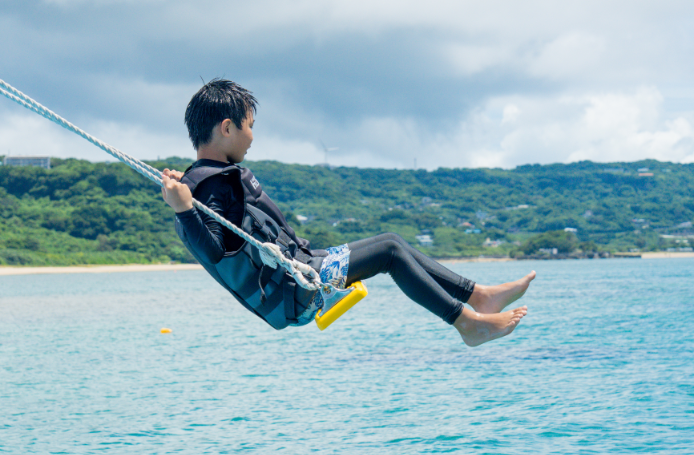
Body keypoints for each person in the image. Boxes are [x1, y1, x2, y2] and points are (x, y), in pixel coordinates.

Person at [161, 79, 534, 347]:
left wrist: (187, 202)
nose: (253, 137)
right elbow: (213, 250)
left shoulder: (205, 182)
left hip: (304, 268)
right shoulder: (210, 186)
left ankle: (478, 296)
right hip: (298, 287)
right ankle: (468, 323)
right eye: (250, 126)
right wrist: (184, 209)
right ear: (227, 128)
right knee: (389, 252)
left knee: (391, 242)